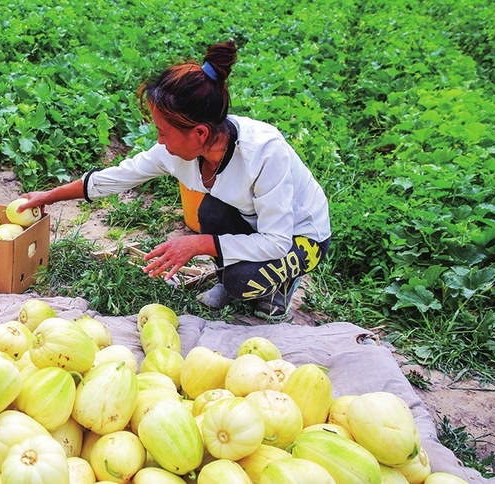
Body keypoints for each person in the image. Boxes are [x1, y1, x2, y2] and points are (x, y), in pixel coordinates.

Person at [18, 40, 331, 320]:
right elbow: (117, 177)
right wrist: (49, 196)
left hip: (298, 236)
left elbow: (276, 240)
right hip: (252, 222)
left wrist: (197, 244)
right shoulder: (174, 152)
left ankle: (278, 286)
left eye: (163, 132)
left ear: (199, 133)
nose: (160, 141)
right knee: (209, 211)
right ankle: (225, 278)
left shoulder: (263, 153)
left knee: (242, 281)